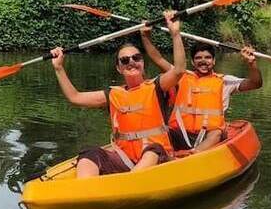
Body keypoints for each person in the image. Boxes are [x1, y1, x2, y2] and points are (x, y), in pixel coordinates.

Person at [49, 11, 186, 178]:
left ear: (143, 62)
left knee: (153, 150)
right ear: (119, 68)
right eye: (125, 60)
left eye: (136, 57)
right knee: (89, 154)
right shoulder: (113, 95)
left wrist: (175, 33)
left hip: (156, 157)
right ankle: (85, 190)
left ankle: (128, 184)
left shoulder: (157, 86)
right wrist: (59, 68)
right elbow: (75, 97)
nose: (131, 62)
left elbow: (179, 70)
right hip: (125, 158)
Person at [141, 30, 262, 152]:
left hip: (210, 135)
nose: (203, 61)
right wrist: (145, 36)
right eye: (198, 58)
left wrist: (252, 63)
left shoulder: (225, 81)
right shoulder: (181, 76)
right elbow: (158, 58)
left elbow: (255, 83)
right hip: (181, 133)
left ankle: (194, 155)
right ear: (193, 62)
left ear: (214, 61)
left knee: (216, 132)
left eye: (208, 57)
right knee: (160, 129)